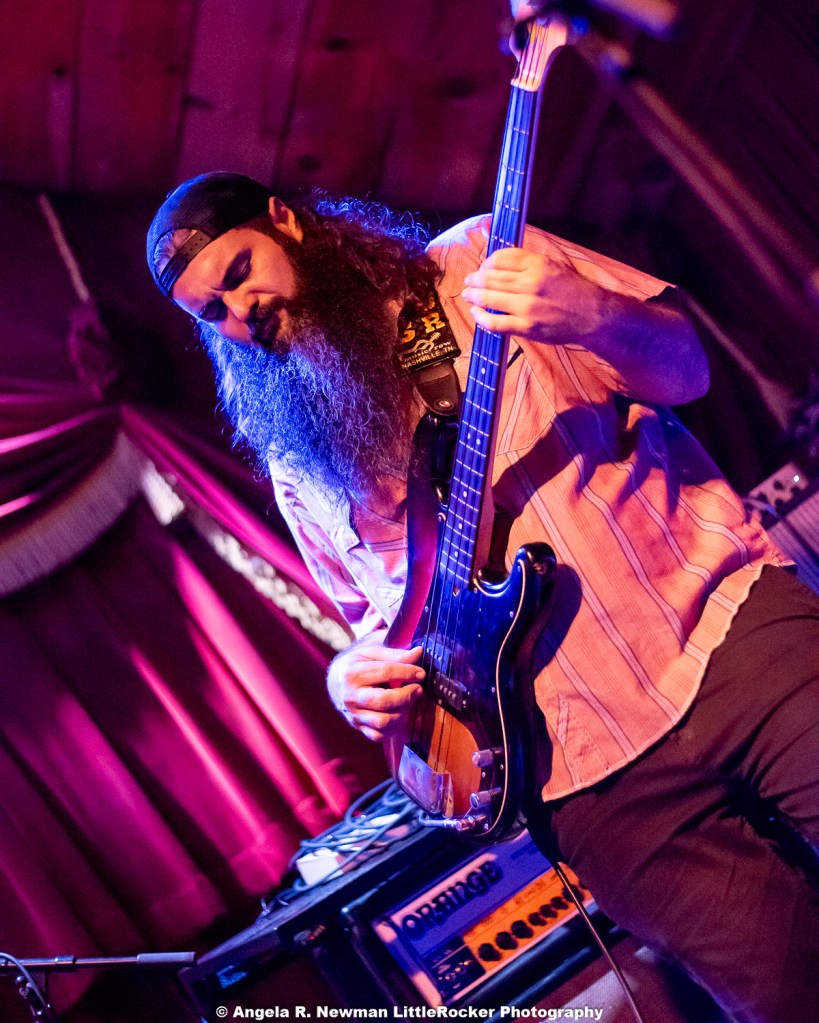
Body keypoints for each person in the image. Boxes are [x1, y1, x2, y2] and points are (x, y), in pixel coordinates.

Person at [146, 171, 819, 1023]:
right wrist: (349, 677)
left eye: (240, 272)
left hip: (726, 636)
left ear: (285, 221)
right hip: (585, 777)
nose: (242, 311)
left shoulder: (473, 260)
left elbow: (685, 369)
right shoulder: (296, 460)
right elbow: (376, 622)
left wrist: (594, 315)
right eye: (213, 312)